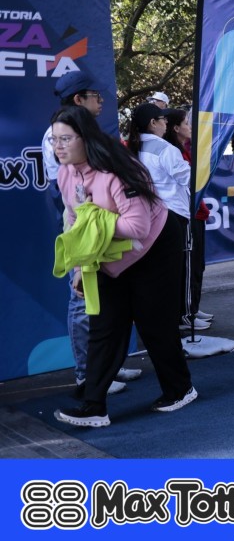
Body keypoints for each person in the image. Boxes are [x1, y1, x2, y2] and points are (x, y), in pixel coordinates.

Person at [51, 106, 197, 427]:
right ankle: (94, 407)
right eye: (54, 139)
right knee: (104, 327)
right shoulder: (66, 173)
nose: (58, 146)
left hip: (155, 247)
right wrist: (79, 268)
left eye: (65, 139)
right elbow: (73, 221)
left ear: (85, 138)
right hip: (110, 255)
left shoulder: (118, 168)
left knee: (153, 323)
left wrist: (95, 220)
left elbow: (137, 227)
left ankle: (180, 389)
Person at [43, 71, 138, 397]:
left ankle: (107, 366)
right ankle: (87, 375)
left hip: (100, 228)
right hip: (81, 229)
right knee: (82, 300)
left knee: (108, 299)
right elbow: (70, 197)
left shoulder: (90, 135)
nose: (101, 102)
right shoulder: (59, 135)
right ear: (78, 99)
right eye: (95, 96)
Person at [126, 103, 199, 330]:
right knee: (179, 269)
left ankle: (158, 319)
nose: (166, 123)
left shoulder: (132, 147)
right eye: (163, 119)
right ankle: (183, 317)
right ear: (153, 123)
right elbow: (190, 179)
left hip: (147, 215)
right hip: (174, 213)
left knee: (154, 272)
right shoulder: (165, 148)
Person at [163, 108, 214, 326]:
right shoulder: (172, 152)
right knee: (188, 266)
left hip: (195, 212)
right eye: (186, 123)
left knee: (197, 265)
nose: (190, 127)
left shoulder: (185, 149)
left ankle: (193, 306)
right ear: (176, 128)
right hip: (184, 213)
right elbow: (187, 181)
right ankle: (186, 313)